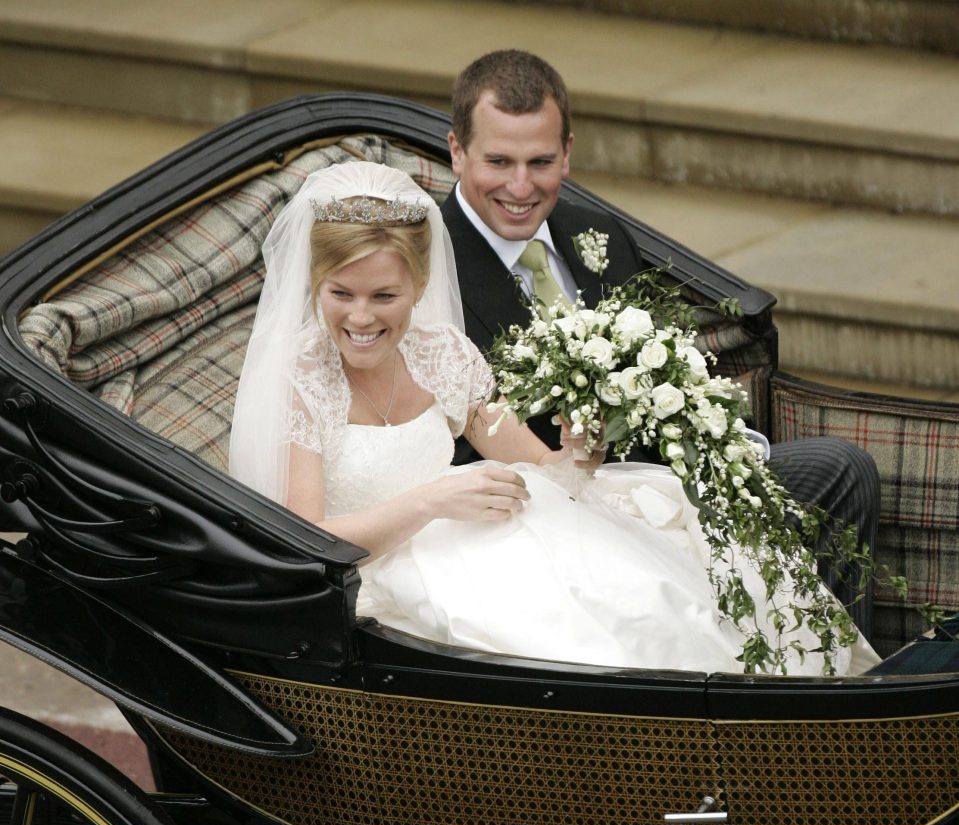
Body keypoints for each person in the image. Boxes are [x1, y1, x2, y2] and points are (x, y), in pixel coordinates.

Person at [229, 160, 879, 676]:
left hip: (497, 535)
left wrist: (577, 453)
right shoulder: (300, 380)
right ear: (315, 285)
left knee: (662, 591)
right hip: (392, 578)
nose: (362, 317)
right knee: (592, 645)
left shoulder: (439, 353)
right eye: (341, 294)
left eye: (384, 296)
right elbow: (308, 544)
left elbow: (538, 466)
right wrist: (431, 501)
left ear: (418, 288)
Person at [442, 49, 881, 640]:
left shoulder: (598, 235)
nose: (520, 187)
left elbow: (658, 370)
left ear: (568, 152)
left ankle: (832, 683)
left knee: (843, 470)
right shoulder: (428, 266)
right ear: (456, 151)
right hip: (553, 513)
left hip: (661, 471)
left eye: (540, 161)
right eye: (499, 161)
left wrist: (714, 436)